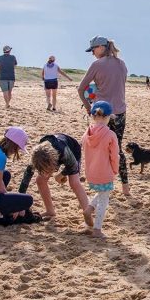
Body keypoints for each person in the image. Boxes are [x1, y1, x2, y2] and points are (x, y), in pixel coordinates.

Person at [77, 36, 131, 198]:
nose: (92, 53)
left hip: (101, 113)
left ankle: (103, 184)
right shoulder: (122, 64)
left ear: (101, 47)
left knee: (99, 148)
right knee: (117, 148)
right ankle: (126, 188)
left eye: (93, 50)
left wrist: (88, 108)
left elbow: (81, 89)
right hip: (120, 113)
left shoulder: (97, 64)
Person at [17, 132, 93, 227]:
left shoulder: (65, 152)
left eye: (48, 170)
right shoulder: (36, 156)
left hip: (72, 149)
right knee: (40, 180)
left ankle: (87, 214)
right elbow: (26, 179)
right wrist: (19, 204)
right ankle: (50, 211)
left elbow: (73, 166)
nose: (47, 173)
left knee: (74, 183)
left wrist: (60, 175)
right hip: (49, 155)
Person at [82, 100, 120, 237]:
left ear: (93, 116)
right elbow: (114, 156)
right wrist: (115, 170)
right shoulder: (110, 135)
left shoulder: (86, 134)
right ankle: (97, 229)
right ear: (108, 117)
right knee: (104, 199)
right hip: (104, 172)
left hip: (91, 172)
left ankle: (89, 208)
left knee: (103, 193)